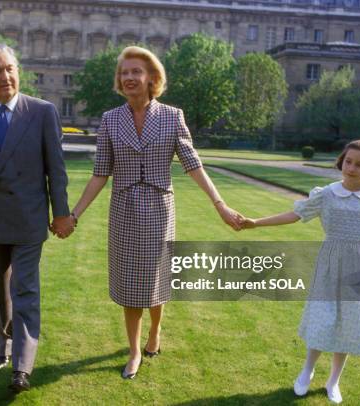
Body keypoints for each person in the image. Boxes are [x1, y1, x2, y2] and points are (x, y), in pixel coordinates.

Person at [67, 46, 244, 380]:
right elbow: (99, 174)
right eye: (124, 72)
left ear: (152, 78)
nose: (129, 77)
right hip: (124, 210)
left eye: (136, 71)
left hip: (160, 210)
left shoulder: (172, 116)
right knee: (130, 282)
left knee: (156, 278)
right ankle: (135, 350)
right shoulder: (110, 119)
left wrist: (220, 204)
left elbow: (193, 165)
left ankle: (155, 331)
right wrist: (74, 214)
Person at [0, 43, 75, 392]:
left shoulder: (42, 111)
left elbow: (57, 169)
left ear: (18, 71)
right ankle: (3, 347)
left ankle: (22, 367)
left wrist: (63, 213)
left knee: (24, 289)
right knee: (0, 289)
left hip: (28, 218)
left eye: (10, 68)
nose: (5, 76)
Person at [242, 139, 360, 404]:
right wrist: (255, 223)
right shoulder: (326, 194)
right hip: (328, 266)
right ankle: (307, 371)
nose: (352, 168)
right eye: (349, 161)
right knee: (322, 320)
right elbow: (295, 214)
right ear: (342, 160)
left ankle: (334, 381)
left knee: (349, 323)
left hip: (359, 269)